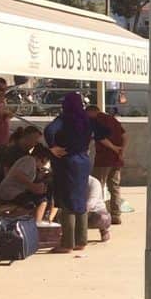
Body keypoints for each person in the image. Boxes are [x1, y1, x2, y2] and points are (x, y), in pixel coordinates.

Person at [44, 92, 93, 254]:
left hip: (68, 161)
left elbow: (49, 130)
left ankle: (67, 243)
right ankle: (81, 240)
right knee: (80, 199)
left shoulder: (65, 119)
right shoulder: (85, 119)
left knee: (68, 202)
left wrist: (53, 147)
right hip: (83, 161)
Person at [87, 103, 126, 225]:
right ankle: (116, 215)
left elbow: (100, 138)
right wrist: (121, 151)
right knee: (114, 187)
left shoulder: (97, 120)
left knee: (97, 186)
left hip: (103, 159)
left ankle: (97, 214)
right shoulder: (112, 119)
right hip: (116, 159)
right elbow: (125, 135)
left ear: (91, 112)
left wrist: (114, 148)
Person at [0, 143, 52, 222]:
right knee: (30, 205)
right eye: (43, 162)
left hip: (16, 192)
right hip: (9, 192)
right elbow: (17, 174)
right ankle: (5, 219)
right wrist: (32, 186)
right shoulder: (29, 160)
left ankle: (34, 224)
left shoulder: (32, 164)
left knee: (42, 200)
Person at [85, 171, 112, 242]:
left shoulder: (94, 182)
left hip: (94, 211)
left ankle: (104, 230)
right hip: (77, 209)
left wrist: (81, 212)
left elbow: (92, 202)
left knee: (103, 218)